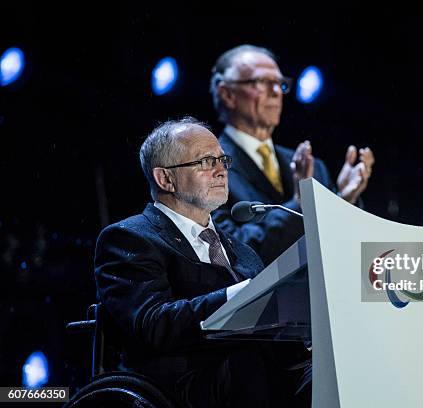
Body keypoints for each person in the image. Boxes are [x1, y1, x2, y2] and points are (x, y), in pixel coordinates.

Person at [94, 117, 298, 407]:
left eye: (222, 159)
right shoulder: (129, 239)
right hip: (187, 381)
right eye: (205, 161)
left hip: (258, 372)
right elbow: (153, 324)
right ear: (165, 178)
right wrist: (239, 297)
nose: (221, 171)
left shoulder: (243, 251)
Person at [210, 44, 375, 265]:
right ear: (227, 94)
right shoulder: (208, 166)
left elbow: (341, 246)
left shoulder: (313, 167)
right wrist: (299, 203)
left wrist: (344, 201)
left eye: (279, 83)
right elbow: (232, 249)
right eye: (261, 82)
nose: (276, 92)